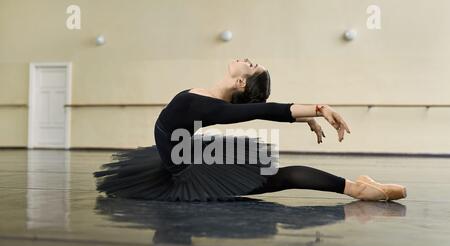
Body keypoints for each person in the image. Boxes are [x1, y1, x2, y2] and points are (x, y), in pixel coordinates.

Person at [93, 58, 407, 202]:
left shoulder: (210, 106)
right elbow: (258, 108)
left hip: (189, 166)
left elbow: (263, 109)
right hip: (182, 156)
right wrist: (305, 116)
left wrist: (319, 110)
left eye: (252, 65)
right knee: (275, 178)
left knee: (278, 178)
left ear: (241, 82)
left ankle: (358, 189)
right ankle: (357, 186)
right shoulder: (210, 100)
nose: (248, 59)